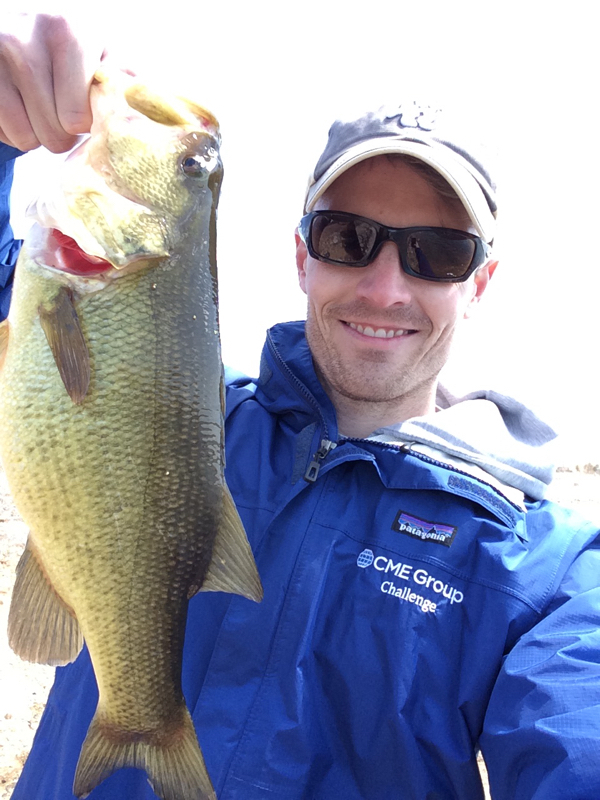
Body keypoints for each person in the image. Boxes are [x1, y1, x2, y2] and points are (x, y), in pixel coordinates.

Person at [1, 14, 600, 800]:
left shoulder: (550, 574)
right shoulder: (192, 418)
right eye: (348, 237)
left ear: (478, 283)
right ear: (301, 255)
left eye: (437, 253)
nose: (385, 287)